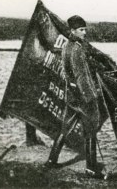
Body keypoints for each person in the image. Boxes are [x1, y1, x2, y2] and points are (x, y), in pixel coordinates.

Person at [45, 15, 107, 178]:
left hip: (71, 96)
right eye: (81, 30)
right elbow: (81, 76)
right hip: (83, 97)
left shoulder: (66, 46)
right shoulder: (77, 49)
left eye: (85, 29)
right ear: (73, 30)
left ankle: (51, 161)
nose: (84, 33)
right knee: (91, 130)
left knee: (65, 128)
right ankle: (91, 168)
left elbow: (68, 74)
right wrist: (91, 97)